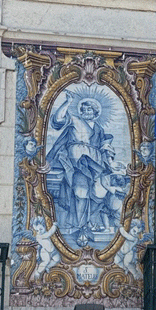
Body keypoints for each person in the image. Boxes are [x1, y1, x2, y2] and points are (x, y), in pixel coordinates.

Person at [45, 94, 114, 241]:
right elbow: (57, 120)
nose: (86, 112)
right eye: (84, 109)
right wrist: (68, 102)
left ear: (96, 113)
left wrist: (110, 162)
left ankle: (89, 222)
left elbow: (105, 147)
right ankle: (81, 227)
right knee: (80, 192)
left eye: (90, 110)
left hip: (95, 163)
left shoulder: (99, 129)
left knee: (99, 194)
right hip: (77, 162)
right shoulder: (75, 120)